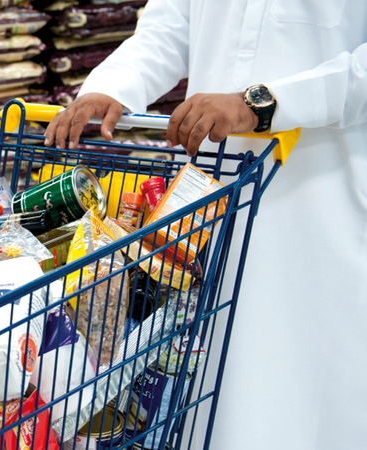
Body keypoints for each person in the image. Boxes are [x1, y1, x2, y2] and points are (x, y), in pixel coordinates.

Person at [44, 1, 367, 449]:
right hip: (205, 196)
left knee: (303, 390)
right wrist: (113, 87)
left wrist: (262, 102)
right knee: (208, 384)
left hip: (319, 200)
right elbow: (171, 25)